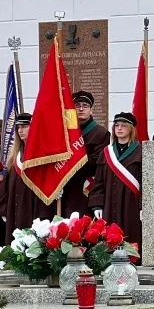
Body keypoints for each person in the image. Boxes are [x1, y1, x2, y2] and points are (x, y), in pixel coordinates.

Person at [89, 111, 143, 251]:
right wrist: (97, 205)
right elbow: (99, 182)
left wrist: (144, 206)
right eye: (116, 125)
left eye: (123, 125)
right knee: (110, 238)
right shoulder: (106, 152)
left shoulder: (141, 151)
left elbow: (146, 183)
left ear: (131, 128)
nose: (119, 128)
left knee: (131, 234)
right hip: (109, 204)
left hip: (132, 204)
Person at [0, 112, 52, 244]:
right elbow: (5, 187)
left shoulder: (42, 156)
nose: (20, 130)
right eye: (18, 127)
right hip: (15, 210)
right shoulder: (15, 156)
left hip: (35, 210)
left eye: (24, 126)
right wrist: (4, 209)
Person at [61, 91, 110, 219]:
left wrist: (73, 159)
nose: (81, 109)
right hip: (63, 186)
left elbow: (97, 162)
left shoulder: (100, 133)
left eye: (85, 106)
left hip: (85, 188)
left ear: (91, 110)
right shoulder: (64, 132)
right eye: (77, 106)